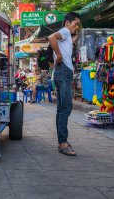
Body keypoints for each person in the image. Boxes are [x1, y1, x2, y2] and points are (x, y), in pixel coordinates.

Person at [48, 12, 81, 156]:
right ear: (67, 23)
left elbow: (65, 43)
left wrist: (75, 38)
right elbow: (51, 38)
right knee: (66, 107)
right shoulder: (65, 31)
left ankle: (62, 141)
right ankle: (63, 143)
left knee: (62, 108)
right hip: (63, 72)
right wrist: (59, 56)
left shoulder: (67, 35)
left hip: (61, 72)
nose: (77, 27)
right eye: (76, 24)